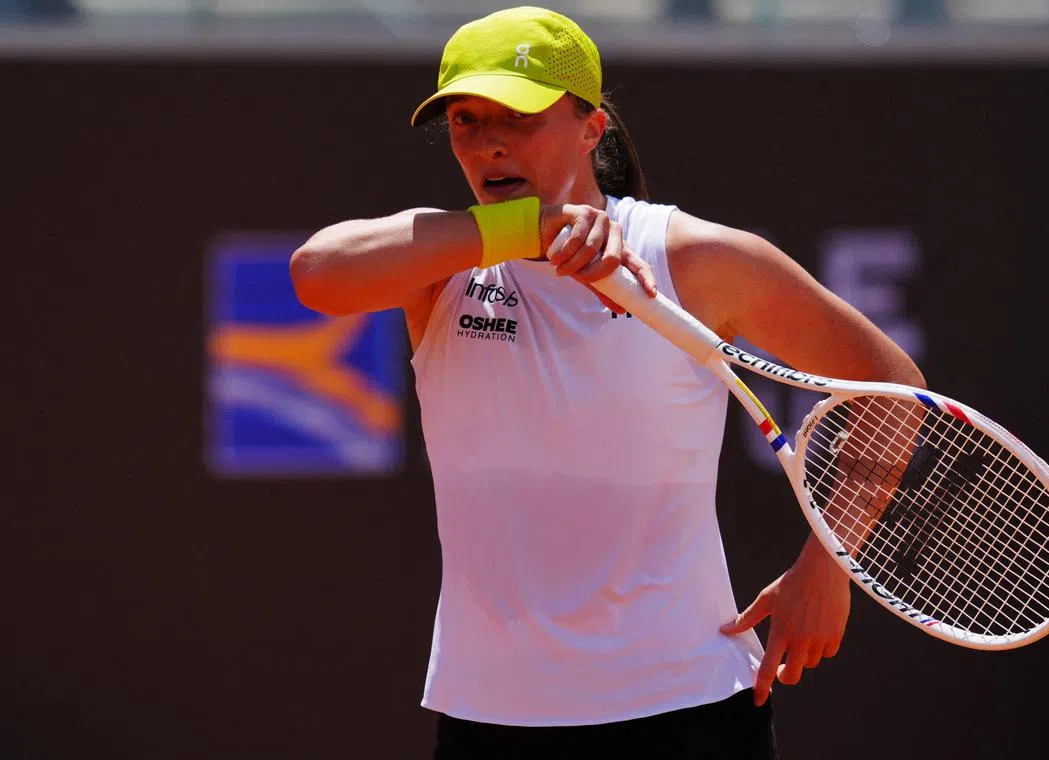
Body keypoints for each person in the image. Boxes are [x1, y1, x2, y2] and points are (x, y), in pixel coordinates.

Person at [290, 6, 925, 758]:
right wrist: (526, 229)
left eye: (518, 116)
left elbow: (889, 382)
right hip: (490, 719)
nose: (489, 142)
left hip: (688, 714)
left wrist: (830, 562)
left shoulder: (691, 258)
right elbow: (316, 272)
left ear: (591, 128)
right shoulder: (441, 263)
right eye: (466, 120)